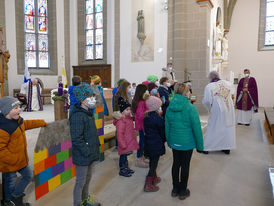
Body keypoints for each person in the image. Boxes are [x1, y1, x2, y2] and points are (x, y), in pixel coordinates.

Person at [0, 96, 47, 206]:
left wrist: (40, 122)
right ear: (7, 111)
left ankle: (16, 196)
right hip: (9, 164)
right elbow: (1, 149)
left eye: (20, 107)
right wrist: (14, 159)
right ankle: (8, 202)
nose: (19, 109)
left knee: (29, 175)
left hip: (21, 160)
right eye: (15, 108)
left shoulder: (18, 120)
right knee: (10, 183)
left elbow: (26, 124)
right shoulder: (3, 128)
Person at [165, 83, 203, 200]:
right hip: (187, 143)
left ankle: (175, 189)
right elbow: (197, 128)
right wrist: (200, 146)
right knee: (185, 166)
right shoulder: (190, 108)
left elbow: (167, 126)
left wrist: (169, 141)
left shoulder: (170, 107)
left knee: (176, 164)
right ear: (186, 93)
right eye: (188, 91)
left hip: (175, 141)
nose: (189, 93)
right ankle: (183, 191)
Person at [69, 83, 101, 206]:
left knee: (87, 180)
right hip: (83, 155)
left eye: (93, 96)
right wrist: (87, 151)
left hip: (90, 153)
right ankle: (77, 203)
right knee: (80, 182)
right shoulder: (77, 116)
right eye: (90, 96)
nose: (93, 99)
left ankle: (85, 200)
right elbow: (77, 139)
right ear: (82, 100)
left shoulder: (88, 112)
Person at [202, 71, 236, 155]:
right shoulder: (228, 83)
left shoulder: (209, 86)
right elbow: (232, 92)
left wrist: (209, 109)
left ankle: (207, 147)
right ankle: (226, 147)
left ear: (211, 78)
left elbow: (206, 101)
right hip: (229, 108)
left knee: (213, 126)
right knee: (227, 127)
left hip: (217, 109)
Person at [143, 96, 165, 192]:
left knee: (153, 161)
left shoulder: (146, 117)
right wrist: (164, 139)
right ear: (155, 107)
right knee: (154, 164)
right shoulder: (157, 119)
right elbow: (162, 132)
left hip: (149, 143)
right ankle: (148, 183)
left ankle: (154, 178)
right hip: (156, 143)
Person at [113, 97, 139, 177]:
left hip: (128, 141)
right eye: (127, 110)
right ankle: (122, 169)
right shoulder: (121, 121)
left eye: (129, 109)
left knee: (125, 157)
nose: (129, 111)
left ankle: (126, 168)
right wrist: (123, 144)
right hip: (124, 143)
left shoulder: (128, 119)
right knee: (123, 157)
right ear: (122, 111)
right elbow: (120, 135)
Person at [132, 84, 150, 168]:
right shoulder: (141, 102)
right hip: (142, 125)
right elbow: (140, 115)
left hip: (141, 124)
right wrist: (148, 113)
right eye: (146, 90)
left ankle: (141, 156)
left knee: (143, 141)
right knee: (142, 142)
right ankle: (139, 158)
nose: (147, 92)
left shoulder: (139, 101)